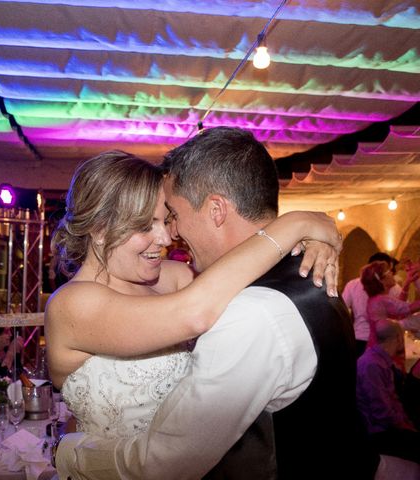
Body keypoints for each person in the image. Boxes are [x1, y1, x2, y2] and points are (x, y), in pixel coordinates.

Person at [53, 127, 378, 479]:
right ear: (100, 228)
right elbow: (195, 311)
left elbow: (228, 278)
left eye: (167, 218)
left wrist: (318, 237)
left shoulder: (176, 278)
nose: (167, 237)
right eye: (146, 225)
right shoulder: (72, 305)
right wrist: (295, 223)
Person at [356, 319, 420, 464]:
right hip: (378, 433)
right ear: (398, 337)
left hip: (386, 426)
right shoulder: (372, 365)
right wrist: (406, 426)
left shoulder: (380, 359)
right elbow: (382, 413)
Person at [343, 252, 419, 357]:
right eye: (389, 271)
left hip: (358, 339)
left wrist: (407, 284)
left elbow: (398, 306)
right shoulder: (381, 299)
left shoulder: (375, 297)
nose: (393, 273)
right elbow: (405, 308)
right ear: (381, 279)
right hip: (379, 343)